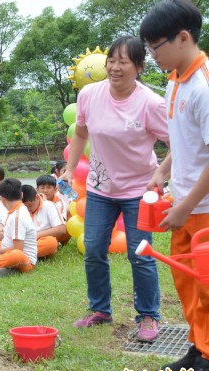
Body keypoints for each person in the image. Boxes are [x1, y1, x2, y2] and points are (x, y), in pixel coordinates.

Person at [59, 35, 169, 342]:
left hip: (138, 190)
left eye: (123, 62)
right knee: (93, 249)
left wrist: (161, 173)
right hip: (100, 188)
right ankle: (100, 311)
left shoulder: (151, 103)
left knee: (140, 254)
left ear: (139, 67)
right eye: (111, 60)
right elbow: (80, 132)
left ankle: (148, 316)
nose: (115, 67)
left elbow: (177, 143)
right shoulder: (91, 95)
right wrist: (69, 170)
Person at [141, 0, 209, 371]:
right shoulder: (174, 80)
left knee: (207, 288)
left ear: (184, 38)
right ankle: (197, 349)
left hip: (203, 209)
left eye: (156, 47)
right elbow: (184, 144)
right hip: (185, 203)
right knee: (187, 284)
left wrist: (185, 206)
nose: (153, 56)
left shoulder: (204, 86)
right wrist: (162, 170)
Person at [21, 185, 66, 258]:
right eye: (25, 206)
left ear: (37, 197)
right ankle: (22, 256)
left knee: (50, 243)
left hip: (40, 241)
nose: (28, 209)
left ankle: (20, 257)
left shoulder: (48, 206)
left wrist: (37, 235)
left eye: (30, 205)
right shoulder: (19, 209)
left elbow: (61, 229)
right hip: (22, 242)